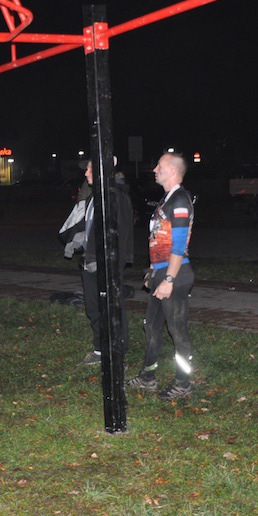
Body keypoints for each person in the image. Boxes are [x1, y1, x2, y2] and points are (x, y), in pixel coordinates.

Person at [128, 153, 195, 401]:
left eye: (160, 165)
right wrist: (153, 272)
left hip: (175, 275)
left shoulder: (180, 200)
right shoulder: (167, 200)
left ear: (173, 171)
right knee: (152, 327)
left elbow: (178, 245)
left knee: (178, 331)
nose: (155, 169)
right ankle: (148, 377)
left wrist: (168, 280)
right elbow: (159, 240)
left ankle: (183, 384)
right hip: (162, 272)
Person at [64, 158, 134, 367]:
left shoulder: (115, 195)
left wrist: (110, 262)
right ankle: (100, 348)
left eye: (90, 169)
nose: (86, 174)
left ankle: (118, 351)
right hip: (91, 260)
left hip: (107, 262)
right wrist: (80, 241)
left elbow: (121, 232)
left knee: (111, 307)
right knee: (93, 306)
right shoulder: (96, 196)